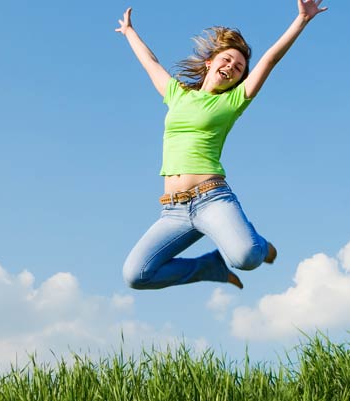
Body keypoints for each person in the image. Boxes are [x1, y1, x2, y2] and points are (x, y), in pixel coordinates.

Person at [117, 0, 328, 290]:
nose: (231, 67)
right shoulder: (177, 94)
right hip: (173, 211)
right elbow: (151, 63)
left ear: (239, 79)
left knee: (246, 257)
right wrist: (129, 32)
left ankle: (261, 245)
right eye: (226, 60)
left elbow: (269, 60)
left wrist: (301, 20)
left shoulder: (231, 102)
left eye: (239, 67)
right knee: (136, 275)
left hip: (211, 199)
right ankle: (207, 267)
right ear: (210, 62)